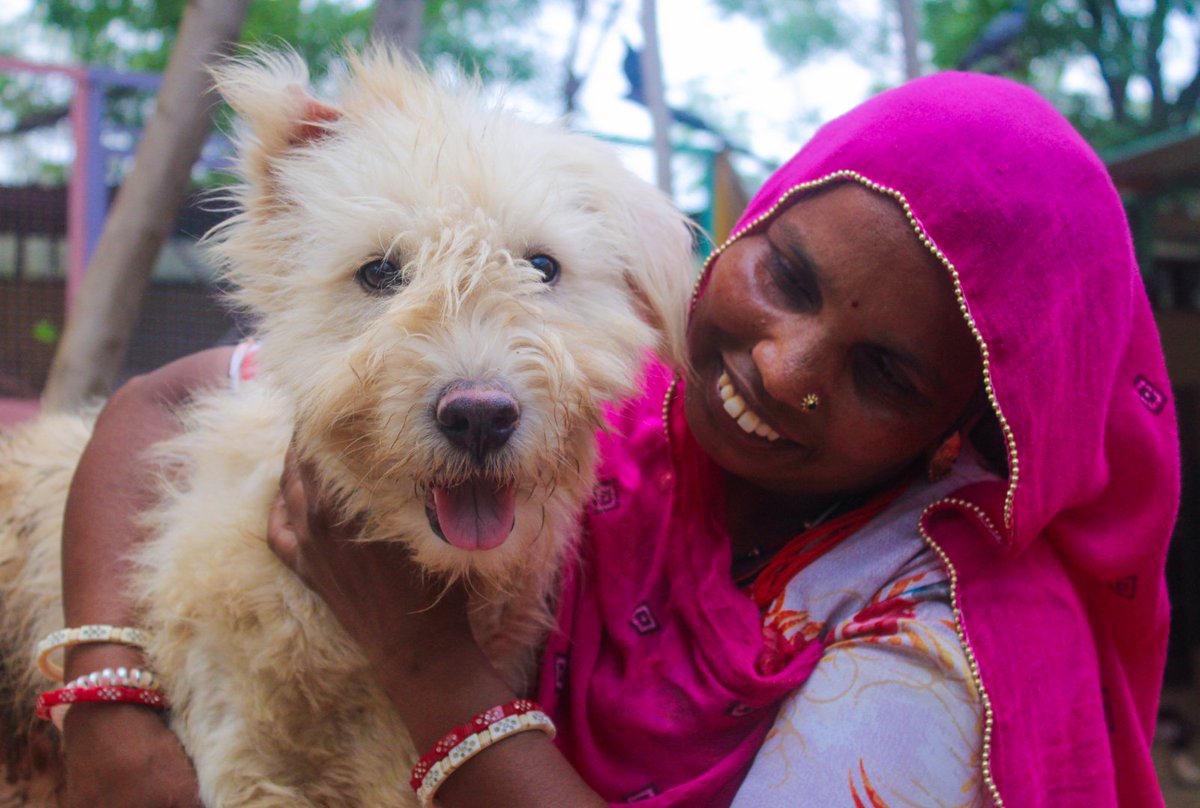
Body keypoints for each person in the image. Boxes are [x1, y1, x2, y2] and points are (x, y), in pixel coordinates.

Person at [52, 71, 1178, 807]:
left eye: (884, 370)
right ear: (747, 225)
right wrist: (107, 702)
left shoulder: (949, 642)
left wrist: (427, 662)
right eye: (785, 273)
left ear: (961, 427)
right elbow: (156, 398)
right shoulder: (636, 386)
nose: (781, 368)